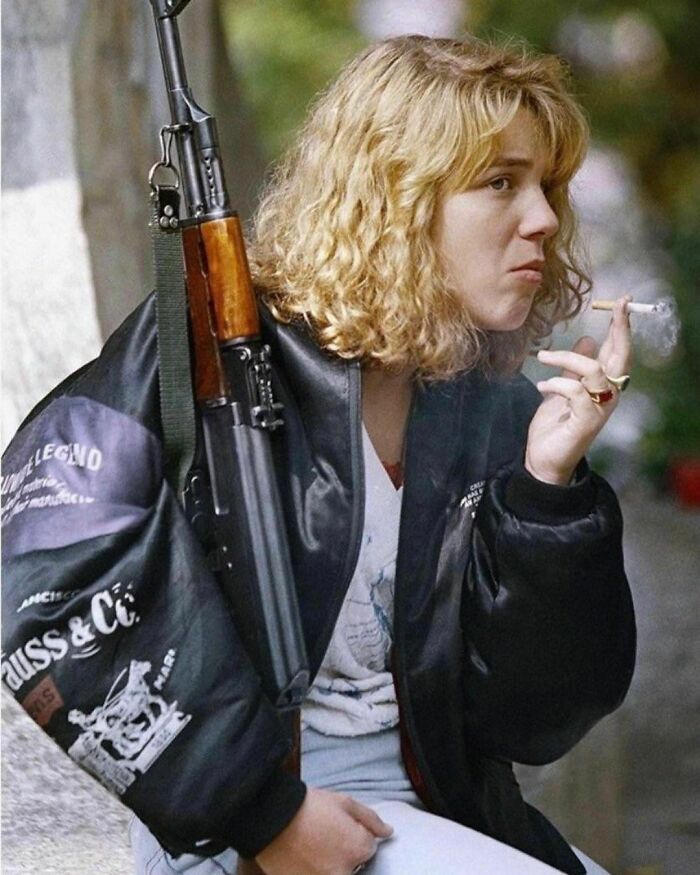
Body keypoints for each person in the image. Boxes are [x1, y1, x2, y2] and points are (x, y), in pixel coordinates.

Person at [1, 34, 635, 875]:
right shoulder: (209, 347)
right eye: (500, 182)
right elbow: (40, 568)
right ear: (397, 197)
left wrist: (549, 493)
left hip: (442, 809)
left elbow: (535, 722)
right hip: (241, 821)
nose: (546, 218)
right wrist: (264, 812)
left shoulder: (494, 406)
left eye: (546, 185)